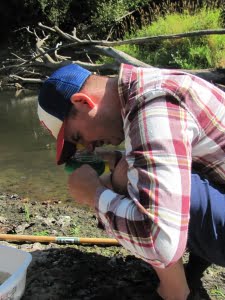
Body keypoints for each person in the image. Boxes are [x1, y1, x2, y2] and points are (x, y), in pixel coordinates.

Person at [37, 63, 225, 299]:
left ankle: (176, 292)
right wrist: (120, 158)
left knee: (128, 176)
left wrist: (95, 195)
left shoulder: (152, 105)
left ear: (83, 102)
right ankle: (190, 275)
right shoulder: (146, 86)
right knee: (131, 168)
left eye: (78, 137)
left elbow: (161, 243)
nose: (88, 147)